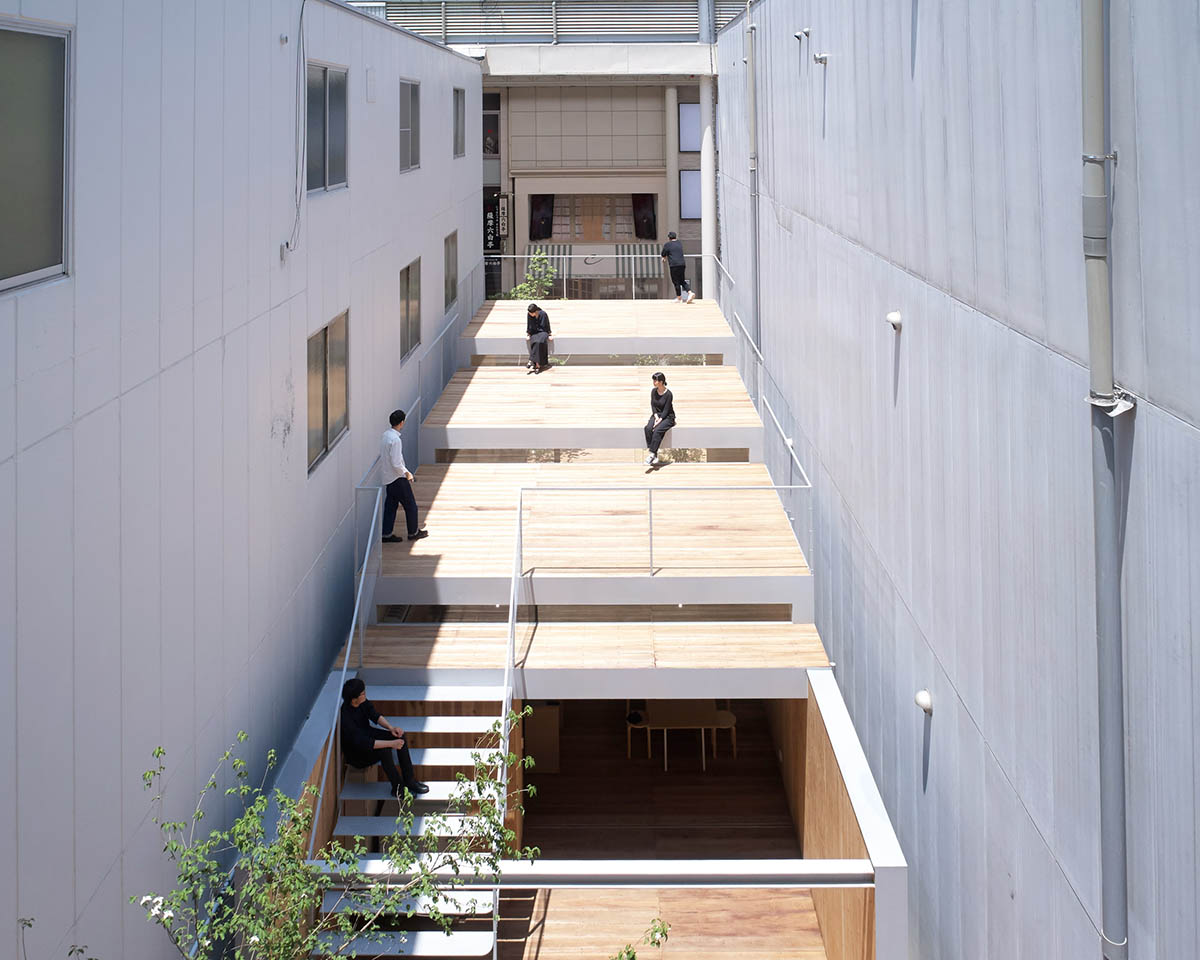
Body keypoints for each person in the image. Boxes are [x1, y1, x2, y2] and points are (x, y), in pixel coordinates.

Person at [340, 678, 429, 800]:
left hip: (368, 734)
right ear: (354, 699)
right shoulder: (346, 718)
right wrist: (391, 744)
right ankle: (398, 789)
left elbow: (374, 715)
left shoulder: (362, 702)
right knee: (385, 750)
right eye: (362, 693)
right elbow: (364, 743)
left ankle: (410, 780)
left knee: (399, 736)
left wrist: (391, 728)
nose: (365, 694)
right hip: (358, 753)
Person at [380, 410, 429, 544]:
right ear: (402, 422)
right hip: (397, 478)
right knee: (411, 505)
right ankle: (413, 532)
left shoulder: (385, 435)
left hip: (388, 477)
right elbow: (396, 462)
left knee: (390, 506)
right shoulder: (396, 440)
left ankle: (386, 533)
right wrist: (406, 473)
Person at [643, 371, 676, 465]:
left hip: (668, 417)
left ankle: (651, 454)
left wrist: (658, 421)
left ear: (661, 382)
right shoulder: (653, 391)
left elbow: (666, 410)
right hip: (657, 415)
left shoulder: (669, 394)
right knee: (648, 428)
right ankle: (654, 455)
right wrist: (656, 416)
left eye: (655, 380)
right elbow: (653, 405)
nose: (653, 382)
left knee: (657, 430)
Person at [660, 232, 694, 304]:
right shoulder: (679, 243)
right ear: (675, 237)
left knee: (676, 281)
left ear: (669, 238)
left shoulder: (667, 245)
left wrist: (664, 258)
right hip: (682, 264)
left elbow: (663, 253)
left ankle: (679, 298)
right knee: (682, 280)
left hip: (674, 265)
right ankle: (690, 292)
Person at [525, 302, 553, 373]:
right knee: (535, 342)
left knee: (539, 342)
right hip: (534, 332)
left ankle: (531, 359)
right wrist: (528, 334)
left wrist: (549, 334)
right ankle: (537, 365)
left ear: (536, 311)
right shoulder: (529, 315)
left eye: (531, 313)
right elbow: (529, 325)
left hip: (543, 332)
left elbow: (547, 324)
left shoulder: (543, 314)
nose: (530, 314)